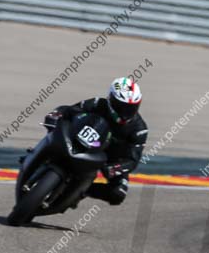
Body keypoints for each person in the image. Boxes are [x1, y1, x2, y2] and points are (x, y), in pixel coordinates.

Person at [43, 77, 148, 206]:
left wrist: (114, 169)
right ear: (111, 100)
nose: (125, 112)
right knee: (55, 131)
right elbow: (70, 110)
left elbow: (133, 160)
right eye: (121, 107)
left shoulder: (139, 129)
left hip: (109, 160)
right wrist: (56, 115)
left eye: (131, 108)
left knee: (118, 194)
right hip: (84, 141)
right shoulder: (98, 104)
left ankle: (82, 190)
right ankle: (40, 155)